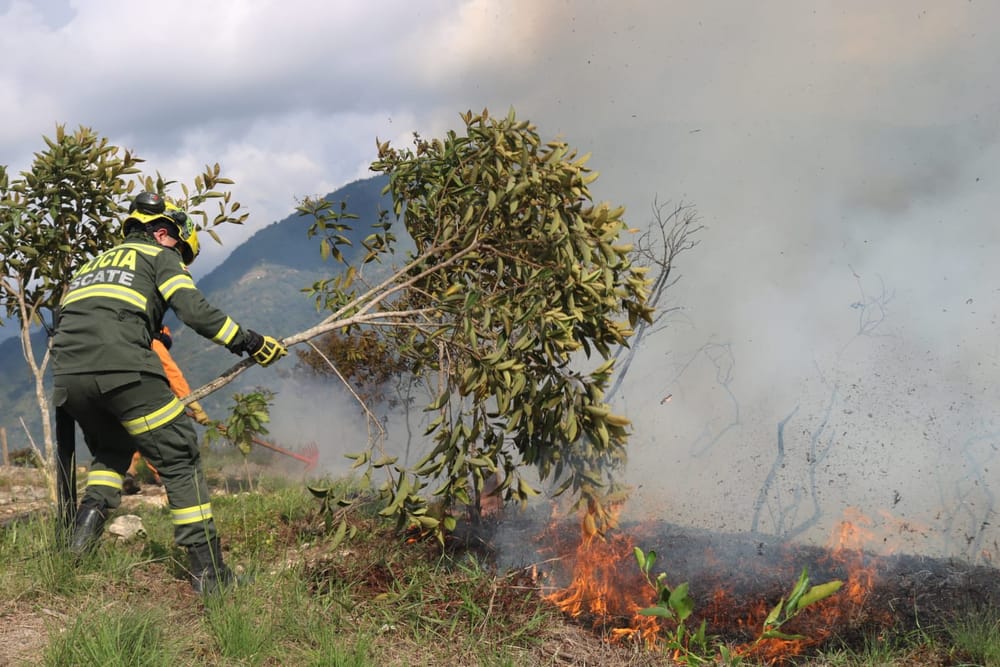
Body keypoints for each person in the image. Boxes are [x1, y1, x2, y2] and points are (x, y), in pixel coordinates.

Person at [51, 191, 287, 595]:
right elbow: (193, 310)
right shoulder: (160, 257)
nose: (182, 258)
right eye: (182, 249)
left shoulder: (92, 266)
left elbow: (74, 320)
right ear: (164, 234)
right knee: (178, 455)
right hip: (124, 371)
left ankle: (77, 548)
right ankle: (209, 576)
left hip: (67, 380)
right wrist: (250, 342)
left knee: (110, 451)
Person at [123, 325, 212, 495]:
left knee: (129, 435)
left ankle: (128, 474)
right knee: (156, 435)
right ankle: (164, 477)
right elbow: (173, 376)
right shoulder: (153, 344)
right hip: (144, 398)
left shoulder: (124, 340)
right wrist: (195, 406)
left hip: (115, 394)